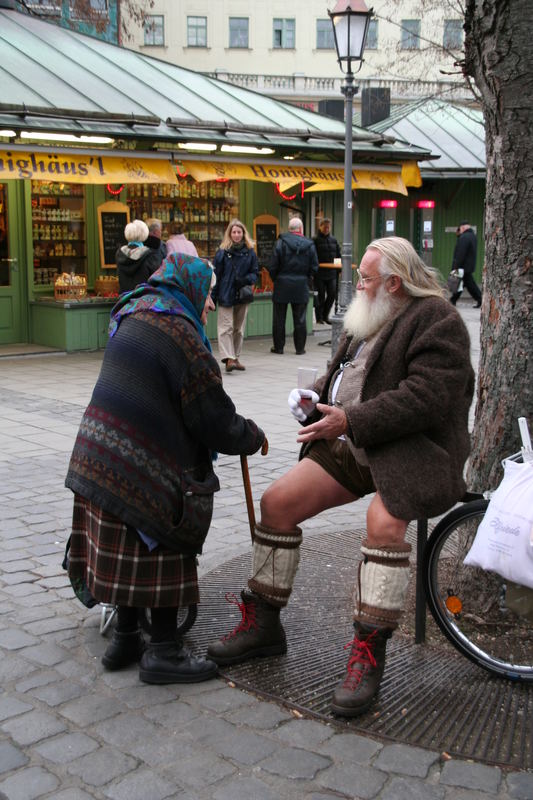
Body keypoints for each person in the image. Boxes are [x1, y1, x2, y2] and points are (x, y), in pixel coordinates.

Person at [208, 236, 474, 717]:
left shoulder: (438, 320)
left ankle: (368, 652)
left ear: (394, 282)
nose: (357, 286)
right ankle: (265, 625)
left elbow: (425, 398)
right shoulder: (370, 312)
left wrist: (350, 421)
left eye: (366, 279)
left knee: (384, 525)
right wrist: (311, 397)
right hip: (353, 443)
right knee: (278, 503)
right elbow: (344, 375)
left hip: (413, 450)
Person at [65, 253, 265, 685]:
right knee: (170, 519)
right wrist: (250, 434)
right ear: (191, 288)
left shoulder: (137, 308)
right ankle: (162, 650)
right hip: (130, 460)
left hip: (96, 456)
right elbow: (211, 416)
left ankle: (125, 637)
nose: (210, 305)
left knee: (134, 534)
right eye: (208, 296)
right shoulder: (181, 333)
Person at [212, 218, 259, 373]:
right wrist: (212, 296)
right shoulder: (222, 252)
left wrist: (245, 280)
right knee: (226, 327)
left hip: (242, 293)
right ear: (229, 234)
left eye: (239, 232)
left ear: (243, 233)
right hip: (226, 293)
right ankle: (229, 358)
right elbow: (216, 275)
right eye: (234, 232)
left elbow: (255, 273)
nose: (237, 235)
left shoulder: (250, 252)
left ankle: (235, 356)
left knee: (238, 329)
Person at [268, 217, 319, 355]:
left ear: (289, 229)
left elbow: (272, 265)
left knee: (279, 319)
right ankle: (300, 348)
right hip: (301, 285)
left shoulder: (280, 243)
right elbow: (314, 267)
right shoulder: (309, 245)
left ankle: (279, 348)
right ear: (301, 229)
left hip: (282, 284)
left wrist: (276, 279)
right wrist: (306, 279)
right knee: (300, 319)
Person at [116, 219, 162, 294]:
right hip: (144, 301)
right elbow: (157, 281)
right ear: (145, 234)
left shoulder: (120, 254)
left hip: (125, 300)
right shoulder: (150, 255)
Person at [313, 218, 341, 324]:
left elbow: (338, 255)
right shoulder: (315, 240)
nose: (326, 229)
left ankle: (325, 315)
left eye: (328, 227)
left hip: (332, 273)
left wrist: (339, 269)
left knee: (332, 294)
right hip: (319, 273)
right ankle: (319, 317)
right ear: (320, 227)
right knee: (320, 296)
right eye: (325, 227)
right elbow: (313, 256)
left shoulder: (333, 240)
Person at [451, 221, 481, 308]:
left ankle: (480, 299)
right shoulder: (472, 236)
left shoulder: (464, 237)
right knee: (464, 283)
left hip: (462, 266)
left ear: (463, 228)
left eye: (459, 229)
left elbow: (460, 253)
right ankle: (453, 299)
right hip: (469, 265)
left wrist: (456, 266)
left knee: (464, 284)